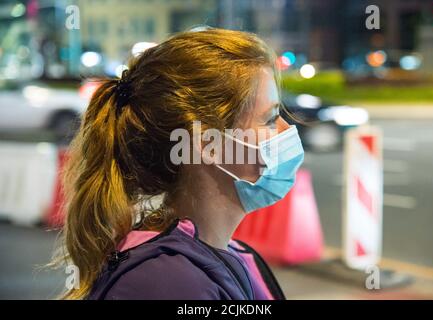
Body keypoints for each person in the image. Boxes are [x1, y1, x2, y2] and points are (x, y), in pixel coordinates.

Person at [55, 27, 304, 300]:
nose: (286, 130)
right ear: (209, 145)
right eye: (269, 119)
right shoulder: (165, 282)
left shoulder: (225, 255)